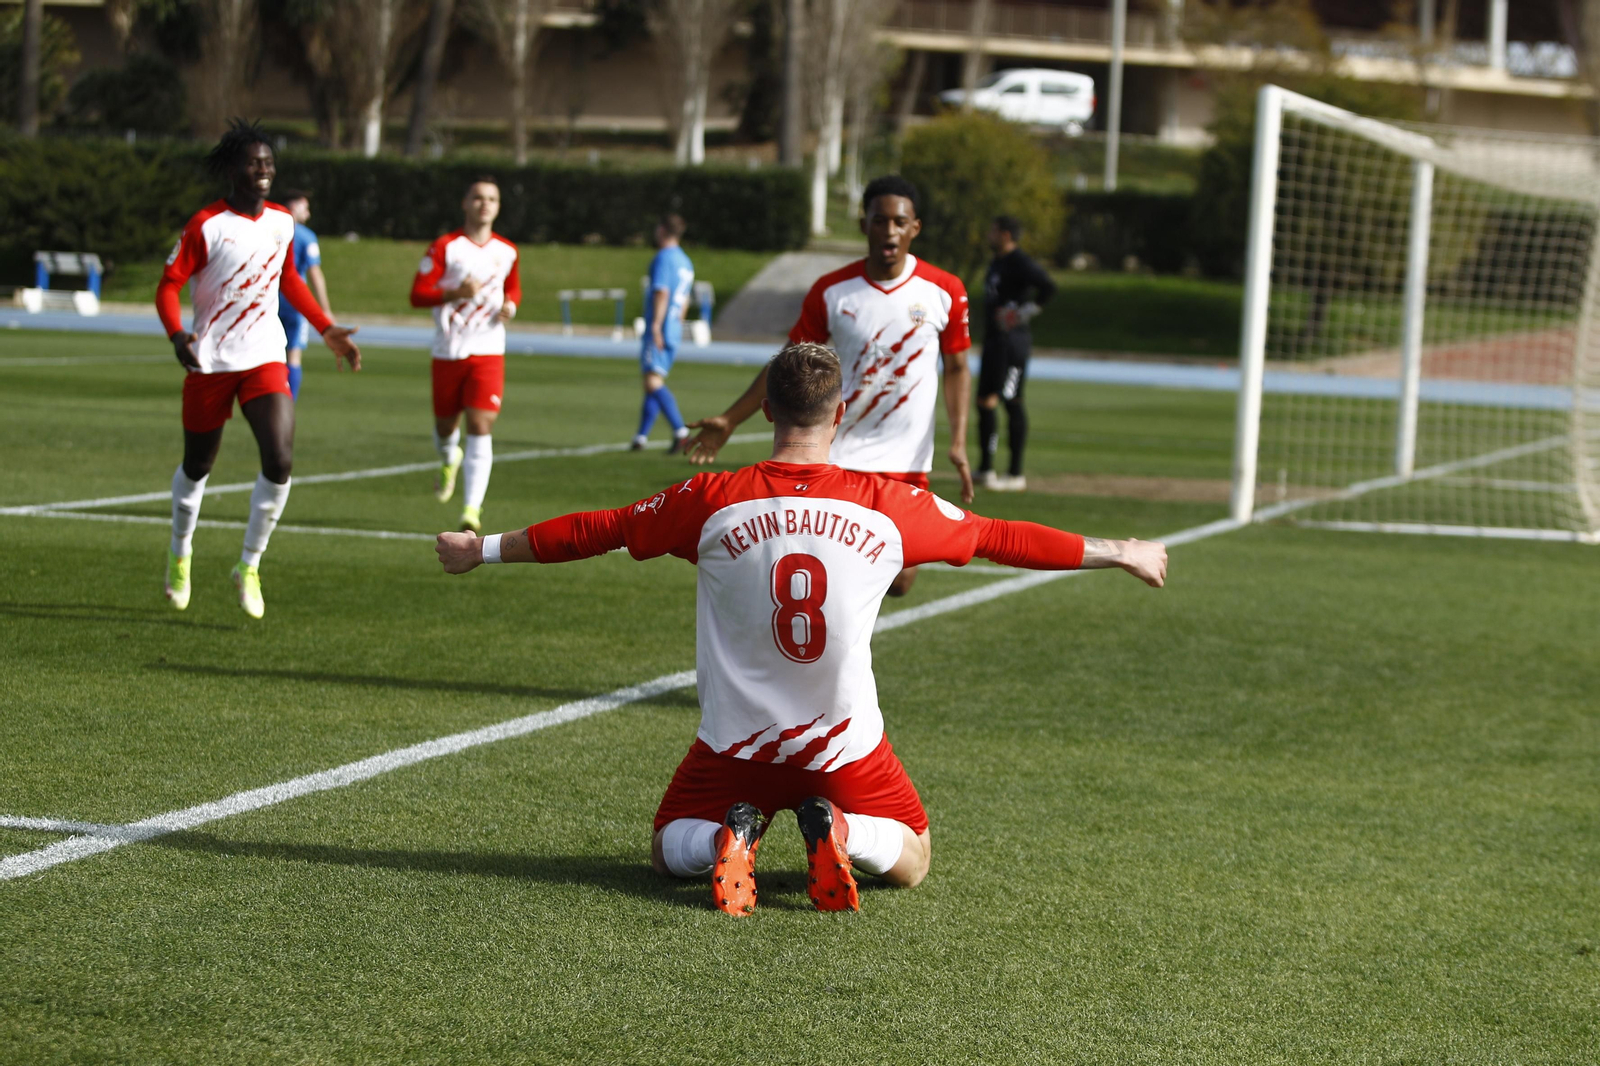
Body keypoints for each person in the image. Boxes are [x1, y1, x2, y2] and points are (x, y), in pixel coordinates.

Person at [435, 342, 1167, 916]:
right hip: (844, 753)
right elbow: (1001, 537)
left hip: (735, 748)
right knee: (914, 857)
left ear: (765, 412)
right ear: (840, 412)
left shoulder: (710, 499)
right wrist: (1118, 551)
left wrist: (483, 548)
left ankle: (727, 836)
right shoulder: (887, 505)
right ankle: (842, 831)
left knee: (665, 850)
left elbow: (600, 530)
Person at [683, 175, 972, 598]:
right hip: (838, 452)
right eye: (879, 220)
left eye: (899, 222)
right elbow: (788, 364)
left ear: (915, 227)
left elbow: (958, 367)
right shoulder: (832, 291)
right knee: (831, 563)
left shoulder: (944, 290)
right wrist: (731, 418)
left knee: (900, 579)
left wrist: (959, 440)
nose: (889, 231)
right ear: (864, 225)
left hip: (907, 457)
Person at [157, 120, 361, 619]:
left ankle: (248, 564)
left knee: (280, 460)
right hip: (210, 361)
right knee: (197, 467)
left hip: (265, 356)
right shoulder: (206, 225)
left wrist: (325, 327)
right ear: (233, 170)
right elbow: (169, 285)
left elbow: (288, 277)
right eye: (254, 163)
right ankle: (180, 552)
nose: (264, 170)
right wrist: (178, 334)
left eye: (269, 163)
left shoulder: (281, 222)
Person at [410, 177, 522, 533]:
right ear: (465, 203)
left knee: (480, 424)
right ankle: (449, 457)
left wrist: (510, 306)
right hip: (449, 349)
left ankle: (471, 510)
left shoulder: (507, 250)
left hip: (489, 349)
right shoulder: (446, 246)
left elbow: (513, 288)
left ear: (498, 206)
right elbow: (417, 294)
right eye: (478, 198)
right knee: (446, 427)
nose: (484, 204)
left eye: (492, 199)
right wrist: (455, 293)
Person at [977, 215, 1056, 492]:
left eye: (993, 231)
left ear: (1006, 235)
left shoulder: (1020, 262)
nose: (989, 235)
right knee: (985, 401)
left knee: (1011, 401)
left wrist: (1022, 313)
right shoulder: (997, 262)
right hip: (994, 341)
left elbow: (1048, 287)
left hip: (1013, 344)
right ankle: (986, 468)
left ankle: (1015, 473)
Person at [633, 214, 695, 453]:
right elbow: (685, 298)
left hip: (661, 327)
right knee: (652, 381)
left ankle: (681, 432)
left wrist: (656, 325)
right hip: (674, 329)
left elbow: (662, 292)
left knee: (653, 381)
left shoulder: (664, 258)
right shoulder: (685, 261)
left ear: (661, 230)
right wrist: (676, 323)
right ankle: (640, 437)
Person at [275, 189, 335, 401]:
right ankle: (287, 404)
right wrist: (325, 310)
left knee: (269, 356)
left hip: (269, 299)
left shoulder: (269, 228)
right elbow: (314, 273)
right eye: (305, 208)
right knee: (293, 355)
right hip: (295, 301)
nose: (308, 213)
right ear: (293, 207)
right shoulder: (305, 236)